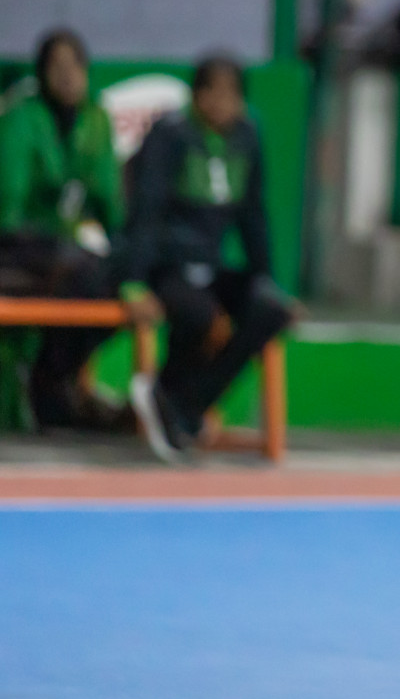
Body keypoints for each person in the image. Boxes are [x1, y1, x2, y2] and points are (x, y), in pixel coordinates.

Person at [124, 56, 294, 463]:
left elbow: (253, 215)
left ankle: (183, 405)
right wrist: (133, 281)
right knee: (199, 315)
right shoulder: (169, 135)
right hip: (165, 266)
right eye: (211, 91)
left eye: (230, 93)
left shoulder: (247, 138)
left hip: (210, 267)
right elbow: (146, 211)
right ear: (196, 95)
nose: (220, 102)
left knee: (271, 311)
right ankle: (171, 399)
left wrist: (265, 278)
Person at [0, 28, 131, 430]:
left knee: (118, 278)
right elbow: (8, 203)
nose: (68, 76)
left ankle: (53, 381)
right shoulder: (22, 119)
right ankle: (43, 385)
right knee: (77, 269)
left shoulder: (96, 120)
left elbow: (110, 202)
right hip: (16, 245)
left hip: (68, 252)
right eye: (57, 67)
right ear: (41, 74)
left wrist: (128, 254)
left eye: (75, 66)